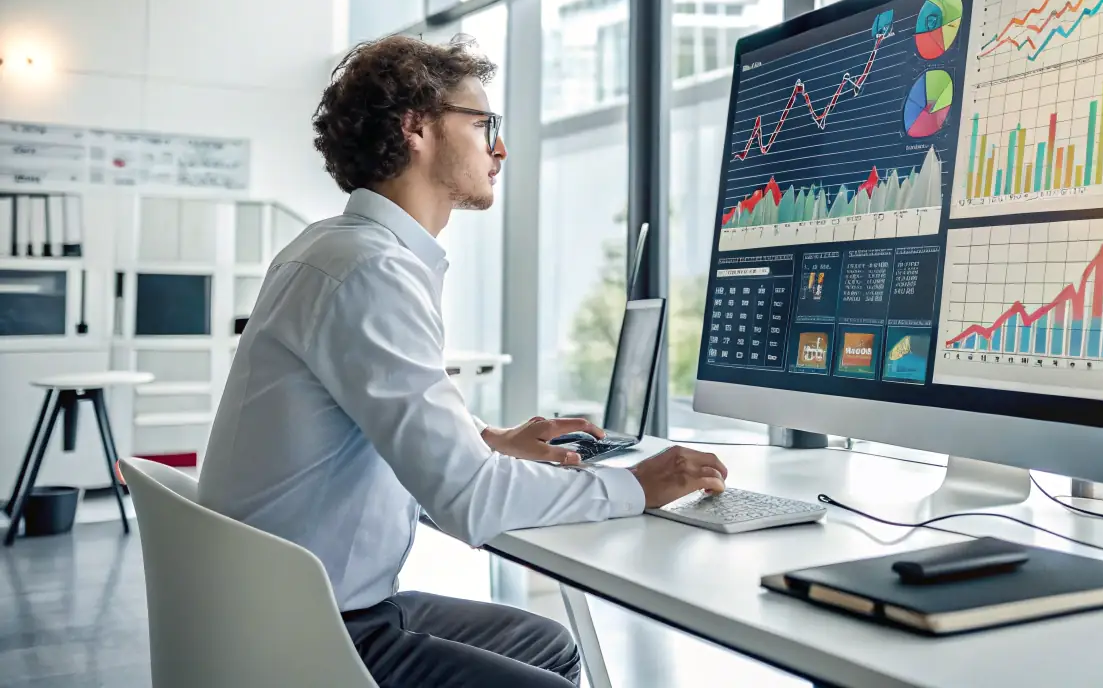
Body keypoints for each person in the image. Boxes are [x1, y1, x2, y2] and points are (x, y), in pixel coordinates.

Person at [197, 34, 728, 688]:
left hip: (286, 608)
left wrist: (486, 440)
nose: (499, 148)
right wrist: (639, 485)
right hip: (311, 633)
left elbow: (366, 423)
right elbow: (468, 500)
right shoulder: (369, 271)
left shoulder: (335, 249)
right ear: (416, 127)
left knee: (548, 646)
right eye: (483, 126)